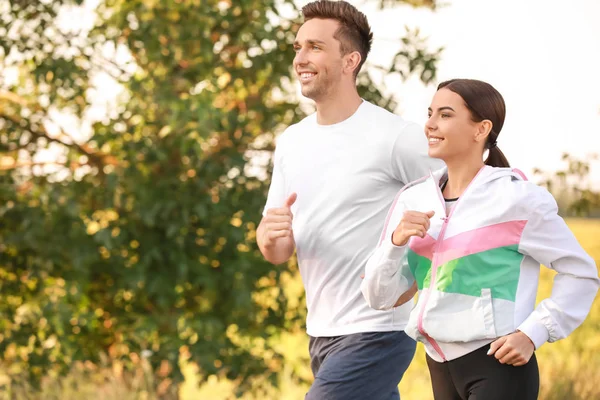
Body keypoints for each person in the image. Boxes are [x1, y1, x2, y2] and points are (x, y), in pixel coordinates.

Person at [360, 78, 600, 400]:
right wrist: (394, 242)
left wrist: (534, 332)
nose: (429, 124)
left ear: (481, 129)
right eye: (429, 113)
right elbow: (380, 297)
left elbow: (581, 272)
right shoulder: (413, 199)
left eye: (445, 115)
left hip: (498, 364)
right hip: (438, 364)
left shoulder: (516, 199)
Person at [256, 1, 443, 398]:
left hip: (377, 327)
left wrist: (414, 280)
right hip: (322, 330)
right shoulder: (292, 142)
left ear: (350, 60)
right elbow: (276, 250)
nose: (301, 58)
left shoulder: (394, 136)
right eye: (298, 47)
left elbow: (460, 199)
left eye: (315, 47)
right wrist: (271, 236)